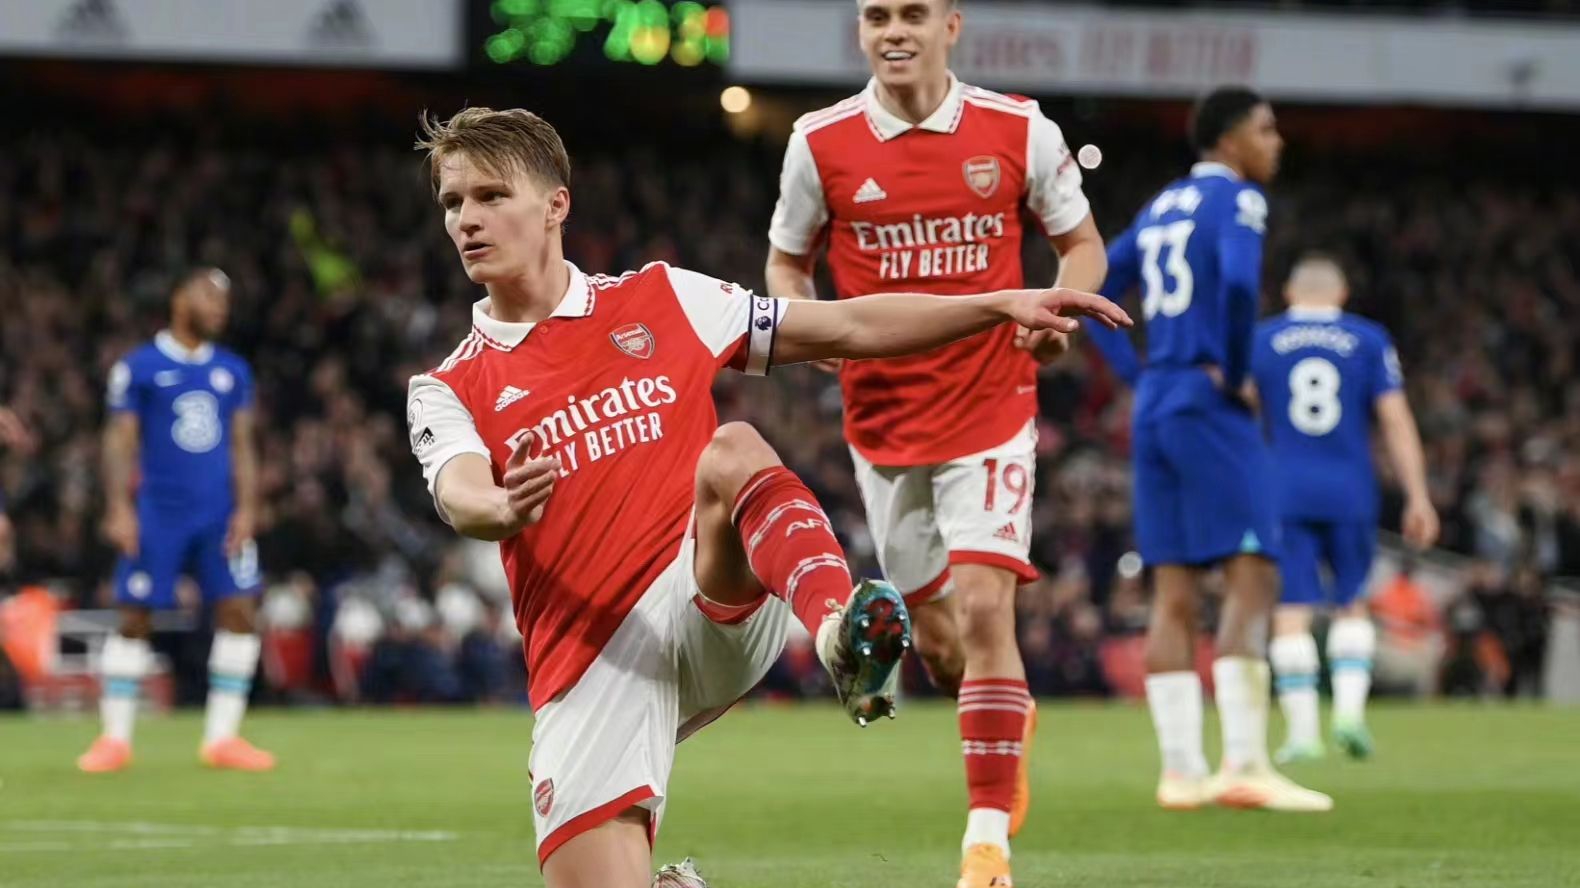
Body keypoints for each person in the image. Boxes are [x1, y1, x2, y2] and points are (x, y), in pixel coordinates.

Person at [407, 106, 1130, 888]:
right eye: (453, 203)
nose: (466, 220)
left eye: (491, 196)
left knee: (734, 449)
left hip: (705, 595)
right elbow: (462, 493)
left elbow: (848, 326)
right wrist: (504, 509)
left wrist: (995, 305)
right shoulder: (447, 384)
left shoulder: (663, 298)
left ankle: (838, 636)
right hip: (593, 665)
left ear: (556, 204)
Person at [764, 1, 1107, 881]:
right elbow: (787, 265)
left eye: (912, 13)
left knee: (989, 610)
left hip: (992, 405)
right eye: (876, 15)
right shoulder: (819, 143)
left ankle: (985, 843)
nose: (893, 30)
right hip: (882, 422)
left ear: (950, 25)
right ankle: (1004, 717)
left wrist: (1055, 313)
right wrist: (810, 326)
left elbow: (1081, 245)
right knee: (946, 648)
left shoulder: (1019, 130)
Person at [1084, 86, 1330, 812]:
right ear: (1229, 140)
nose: (1276, 142)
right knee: (1255, 570)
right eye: (1266, 129)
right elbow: (1239, 282)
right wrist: (1236, 366)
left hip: (1158, 402)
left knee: (1174, 592)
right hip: (1209, 400)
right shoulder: (1240, 200)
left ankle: (1182, 773)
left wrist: (1136, 374)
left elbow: (1094, 292)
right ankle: (1245, 764)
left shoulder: (1162, 205)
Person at [77, 268, 272, 774]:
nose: (220, 307)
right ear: (179, 299)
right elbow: (119, 440)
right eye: (209, 296)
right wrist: (118, 507)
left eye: (225, 300)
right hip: (158, 513)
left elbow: (243, 445)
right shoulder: (139, 367)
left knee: (240, 612)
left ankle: (222, 739)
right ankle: (114, 739)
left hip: (219, 514)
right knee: (135, 614)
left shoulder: (233, 370)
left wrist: (248, 508)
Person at [1251, 254, 1440, 761]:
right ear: (1341, 295)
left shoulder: (1263, 339)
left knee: (1291, 608)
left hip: (1283, 489)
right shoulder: (1368, 339)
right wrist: (1418, 494)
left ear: (1289, 293)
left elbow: (1241, 410)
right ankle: (1351, 716)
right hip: (1351, 489)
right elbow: (1395, 419)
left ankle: (1302, 733)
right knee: (1352, 600)